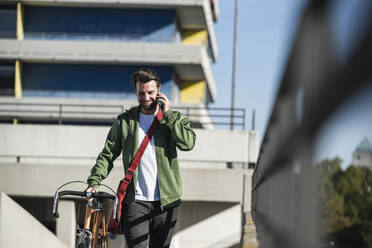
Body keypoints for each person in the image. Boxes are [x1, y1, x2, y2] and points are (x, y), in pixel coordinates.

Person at [85, 68, 196, 248]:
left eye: (150, 93)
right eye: (141, 93)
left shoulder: (173, 119)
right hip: (135, 202)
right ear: (136, 92)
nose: (146, 97)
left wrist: (168, 116)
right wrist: (94, 181)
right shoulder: (124, 121)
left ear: (158, 90)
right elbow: (107, 154)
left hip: (167, 202)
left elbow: (188, 143)